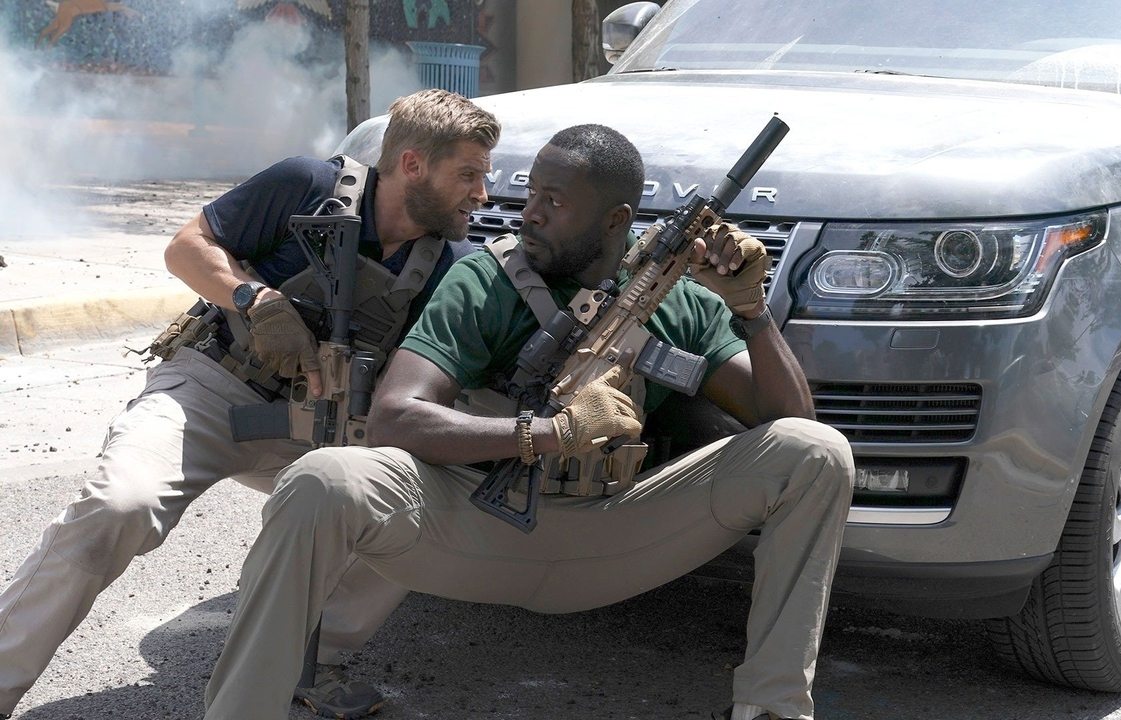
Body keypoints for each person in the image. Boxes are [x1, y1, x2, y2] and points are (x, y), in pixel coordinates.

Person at [202, 124, 854, 720]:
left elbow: (790, 422)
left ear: (615, 220)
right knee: (323, 478)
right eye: (533, 192)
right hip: (477, 529)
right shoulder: (486, 280)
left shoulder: (683, 303)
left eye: (555, 201)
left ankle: (772, 709)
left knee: (815, 450)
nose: (530, 212)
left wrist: (752, 312)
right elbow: (394, 420)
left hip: (618, 533)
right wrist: (548, 433)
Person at [0, 88, 500, 720]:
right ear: (412, 164)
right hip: (216, 386)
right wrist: (254, 300)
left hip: (330, 423)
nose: (482, 194)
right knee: (118, 506)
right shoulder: (307, 186)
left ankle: (306, 661)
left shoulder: (452, 264)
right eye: (468, 174)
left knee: (410, 505)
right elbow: (186, 246)